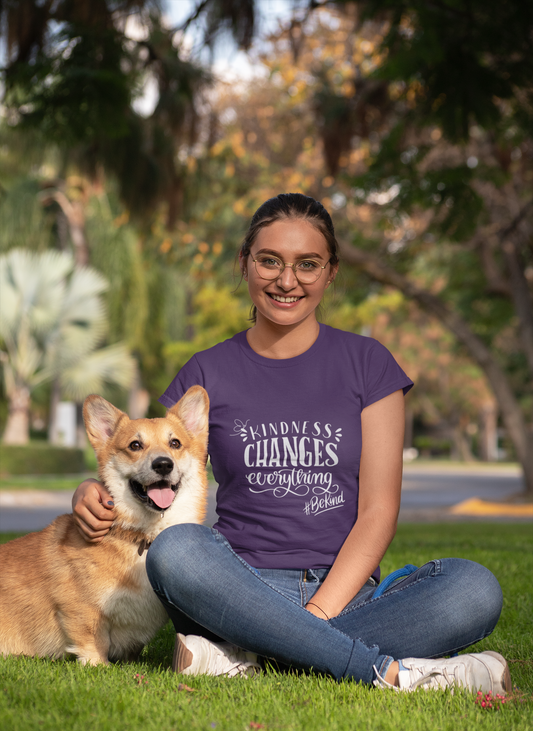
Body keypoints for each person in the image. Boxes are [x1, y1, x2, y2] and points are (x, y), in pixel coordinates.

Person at [73, 193, 510, 693]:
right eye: (269, 261)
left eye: (307, 264)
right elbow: (148, 455)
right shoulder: (207, 370)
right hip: (232, 585)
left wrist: (317, 614)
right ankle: (395, 674)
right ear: (244, 264)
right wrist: (87, 490)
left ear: (331, 271)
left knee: (474, 589)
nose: (287, 281)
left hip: (347, 591)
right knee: (175, 550)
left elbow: (378, 512)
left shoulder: (369, 365)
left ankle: (251, 654)